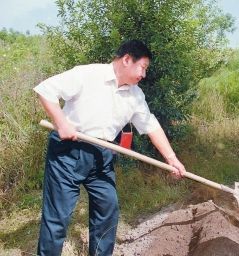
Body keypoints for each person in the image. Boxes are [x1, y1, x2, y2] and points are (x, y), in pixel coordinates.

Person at [33, 39, 186, 256]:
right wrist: (62, 122)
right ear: (126, 60)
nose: (144, 74)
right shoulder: (88, 74)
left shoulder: (135, 95)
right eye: (142, 67)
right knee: (58, 215)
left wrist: (172, 159)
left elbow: (151, 125)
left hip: (102, 155)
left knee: (108, 207)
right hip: (68, 151)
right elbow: (45, 90)